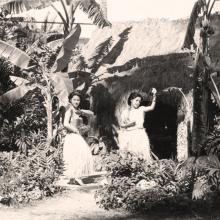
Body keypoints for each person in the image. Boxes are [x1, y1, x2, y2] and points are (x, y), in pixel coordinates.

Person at [62, 91, 94, 185]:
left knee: (80, 155)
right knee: (75, 155)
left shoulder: (78, 110)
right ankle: (74, 177)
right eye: (74, 99)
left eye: (78, 100)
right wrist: (75, 130)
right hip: (72, 136)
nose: (76, 101)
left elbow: (91, 114)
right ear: (70, 100)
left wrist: (83, 128)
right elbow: (65, 123)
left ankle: (76, 177)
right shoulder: (69, 110)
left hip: (77, 135)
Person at [118, 88, 157, 162]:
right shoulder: (126, 112)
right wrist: (129, 125)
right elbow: (122, 125)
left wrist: (154, 96)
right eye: (136, 100)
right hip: (130, 135)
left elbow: (151, 107)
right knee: (132, 155)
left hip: (140, 134)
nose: (138, 102)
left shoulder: (141, 109)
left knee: (143, 154)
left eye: (139, 101)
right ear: (131, 100)